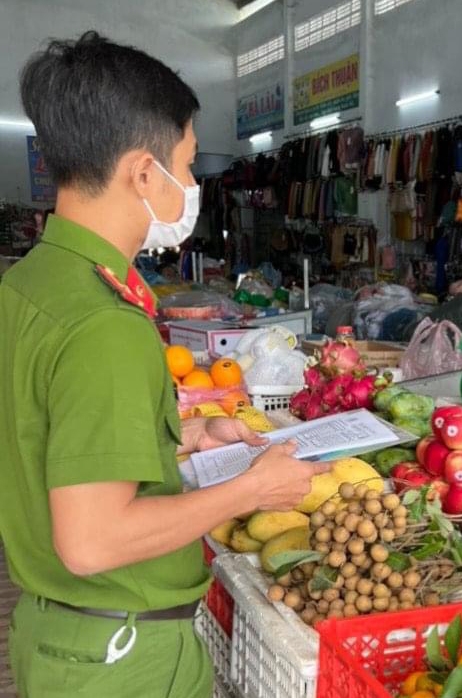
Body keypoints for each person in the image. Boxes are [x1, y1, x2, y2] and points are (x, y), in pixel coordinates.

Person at [0, 32, 327, 698]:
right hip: (124, 658)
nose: (191, 186)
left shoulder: (31, 282)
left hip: (62, 637)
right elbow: (92, 541)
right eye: (186, 164)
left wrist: (182, 438)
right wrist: (250, 493)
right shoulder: (103, 324)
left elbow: (48, 435)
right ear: (143, 173)